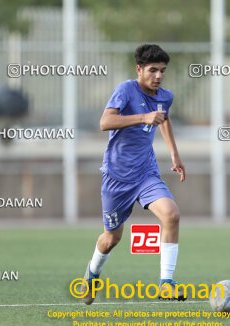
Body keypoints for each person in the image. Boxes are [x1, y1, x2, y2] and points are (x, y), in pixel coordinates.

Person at [79, 44, 186, 305]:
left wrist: (174, 153)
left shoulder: (165, 96)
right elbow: (105, 122)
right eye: (152, 70)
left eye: (162, 71)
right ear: (139, 69)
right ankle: (92, 275)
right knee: (112, 238)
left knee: (171, 215)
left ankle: (166, 284)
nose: (158, 76)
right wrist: (142, 117)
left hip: (146, 173)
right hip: (117, 177)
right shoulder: (126, 90)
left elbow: (164, 118)